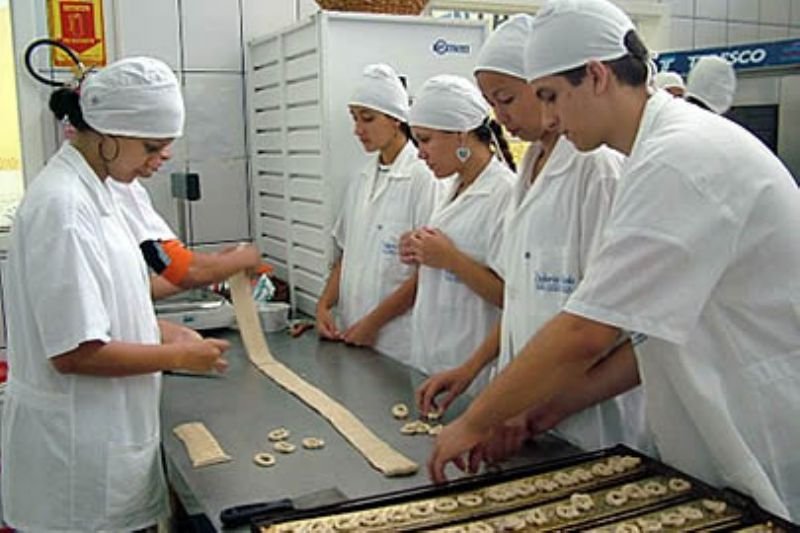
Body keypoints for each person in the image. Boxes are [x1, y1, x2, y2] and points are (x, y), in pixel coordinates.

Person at [429, 0, 800, 522]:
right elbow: (647, 332)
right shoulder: (655, 154)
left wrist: (475, 421)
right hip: (714, 428)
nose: (548, 118)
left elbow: (588, 331)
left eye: (550, 96)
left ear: (597, 75)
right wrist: (544, 411)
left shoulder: (680, 157)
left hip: (757, 422)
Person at [1, 57, 230, 531]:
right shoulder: (64, 208)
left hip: (102, 445)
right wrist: (181, 358)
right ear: (108, 133)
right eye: (151, 146)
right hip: (77, 465)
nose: (160, 158)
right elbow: (74, 352)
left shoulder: (101, 191)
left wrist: (162, 332)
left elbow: (105, 305)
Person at [415, 14, 647, 462]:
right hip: (529, 412)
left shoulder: (596, 169)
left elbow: (603, 322)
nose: (500, 117)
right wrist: (472, 369)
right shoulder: (531, 165)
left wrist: (493, 414)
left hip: (589, 419)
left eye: (507, 99)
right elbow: (521, 296)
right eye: (491, 104)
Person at [315, 64, 439, 363]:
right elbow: (347, 254)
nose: (358, 129)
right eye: (355, 118)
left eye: (368, 118)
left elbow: (429, 273)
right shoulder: (361, 179)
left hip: (400, 343)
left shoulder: (424, 178)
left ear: (396, 119)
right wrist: (324, 305)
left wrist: (373, 324)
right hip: (354, 332)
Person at [404, 74, 515, 393]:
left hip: (472, 370)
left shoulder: (505, 194)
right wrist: (419, 248)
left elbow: (511, 296)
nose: (420, 153)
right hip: (431, 356)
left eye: (425, 140)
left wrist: (450, 259)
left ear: (461, 135)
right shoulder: (452, 186)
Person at [108, 177, 262, 300]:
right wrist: (243, 258)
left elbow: (134, 291)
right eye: (151, 149)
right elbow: (184, 269)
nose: (166, 154)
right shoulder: (119, 185)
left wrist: (218, 267)